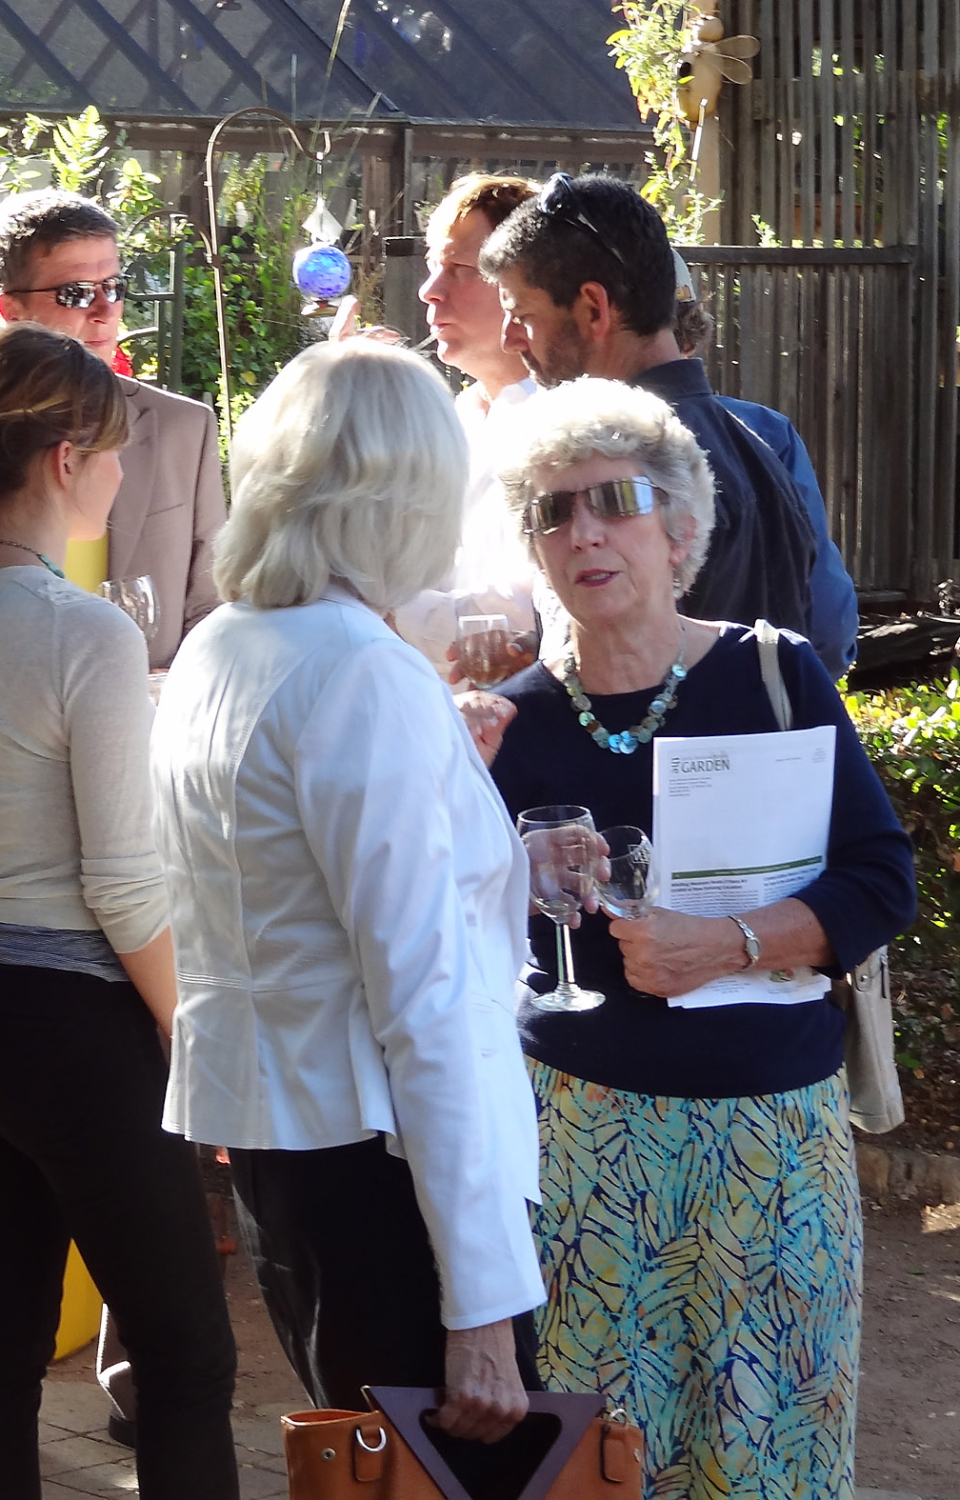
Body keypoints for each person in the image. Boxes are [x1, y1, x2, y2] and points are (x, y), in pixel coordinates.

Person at [483, 377, 915, 1497]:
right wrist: (506, 875)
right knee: (604, 1460)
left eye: (613, 501)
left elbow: (880, 880)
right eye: (551, 511)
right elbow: (453, 936)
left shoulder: (773, 677)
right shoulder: (508, 722)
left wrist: (727, 944)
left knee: (768, 1455)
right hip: (582, 1146)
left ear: (679, 529)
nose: (582, 531)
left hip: (770, 1146)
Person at [0, 187, 227, 1482]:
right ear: (65, 460)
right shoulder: (85, 636)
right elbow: (124, 886)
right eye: (112, 452)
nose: (125, 474)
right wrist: (193, 1038)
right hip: (74, 1026)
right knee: (188, 1355)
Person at [149, 341, 544, 1459]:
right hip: (384, 1163)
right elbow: (423, 1000)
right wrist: (481, 1303)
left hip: (286, 1142)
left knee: (362, 1461)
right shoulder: (359, 668)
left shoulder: (222, 644)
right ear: (404, 494)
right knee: (438, 1471)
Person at [0, 188, 224, 669]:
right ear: (10, 310)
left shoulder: (183, 428)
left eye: (114, 287)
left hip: (140, 703)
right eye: (76, 293)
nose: (105, 310)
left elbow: (209, 612)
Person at [480, 172, 817, 639]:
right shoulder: (755, 449)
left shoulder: (639, 463)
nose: (509, 339)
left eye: (522, 315)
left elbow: (638, 666)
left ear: (593, 308)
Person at [672, 252, 859, 677]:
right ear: (693, 330)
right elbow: (829, 626)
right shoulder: (766, 433)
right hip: (770, 693)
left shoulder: (565, 444)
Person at [393, 173, 545, 680]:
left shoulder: (566, 434)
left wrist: (376, 609)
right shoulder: (449, 422)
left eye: (459, 270)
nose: (428, 291)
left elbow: (521, 617)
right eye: (432, 267)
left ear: (521, 287)